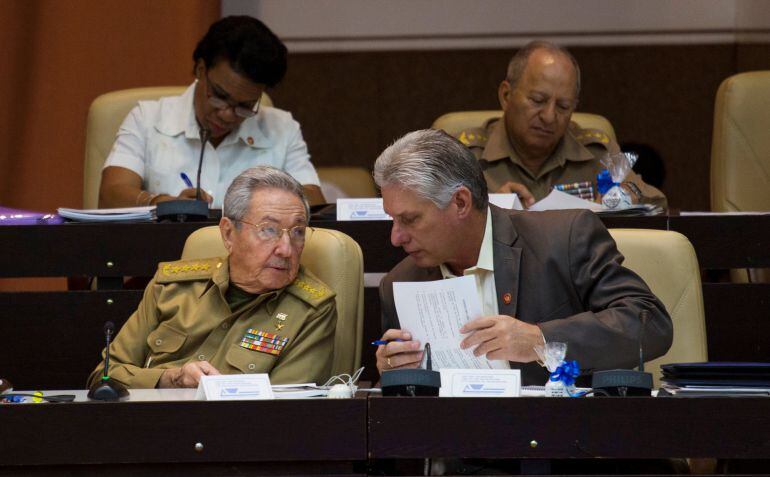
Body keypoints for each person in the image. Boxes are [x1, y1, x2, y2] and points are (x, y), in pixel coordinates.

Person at [373, 129, 672, 385]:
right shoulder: (400, 283)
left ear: (461, 202)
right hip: (456, 445)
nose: (396, 237)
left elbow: (649, 322)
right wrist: (395, 376)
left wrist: (541, 341)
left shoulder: (564, 239)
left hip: (565, 440)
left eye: (410, 219)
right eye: (393, 220)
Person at [87, 166, 336, 389]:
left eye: (298, 232)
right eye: (269, 230)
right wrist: (170, 379)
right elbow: (104, 378)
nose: (286, 249)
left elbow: (282, 411)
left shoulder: (312, 309)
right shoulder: (171, 287)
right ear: (228, 233)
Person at [99, 16, 325, 209]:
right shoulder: (147, 119)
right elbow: (111, 194)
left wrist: (256, 207)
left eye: (245, 106)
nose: (227, 115)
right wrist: (164, 204)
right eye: (219, 96)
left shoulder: (282, 128)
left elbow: (314, 201)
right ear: (200, 69)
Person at [457, 41, 666, 208]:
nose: (549, 116)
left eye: (563, 106)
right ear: (506, 95)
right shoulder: (464, 155)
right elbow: (432, 220)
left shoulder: (596, 152)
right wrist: (487, 208)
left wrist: (626, 195)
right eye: (538, 100)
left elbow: (656, 202)